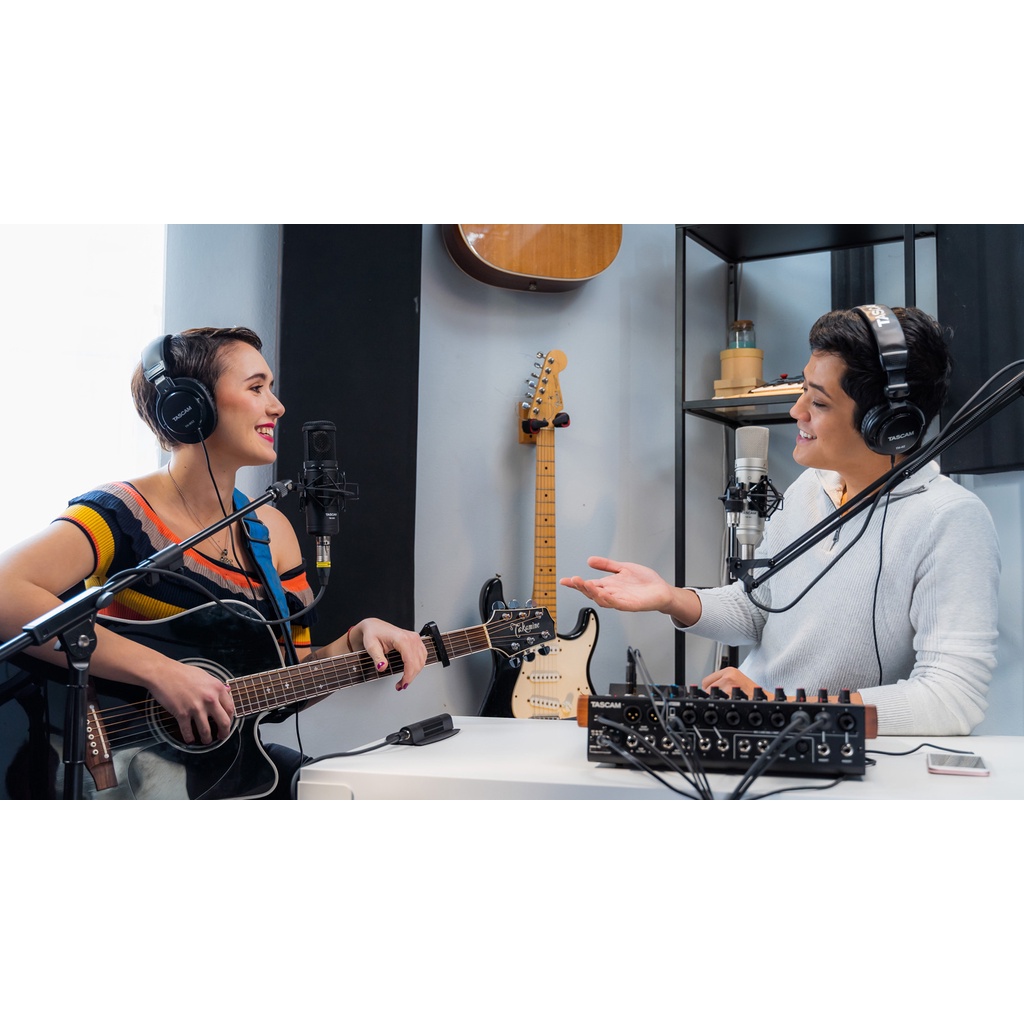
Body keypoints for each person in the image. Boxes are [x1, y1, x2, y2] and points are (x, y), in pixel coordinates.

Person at [0, 327, 427, 797]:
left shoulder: (272, 533)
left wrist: (353, 642)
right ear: (190, 406)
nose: (278, 406)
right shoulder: (120, 514)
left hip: (218, 772)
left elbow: (286, 683)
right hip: (112, 780)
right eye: (256, 387)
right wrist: (161, 672)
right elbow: (5, 591)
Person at [561, 305, 1000, 736]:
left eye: (819, 402)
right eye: (804, 389)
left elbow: (951, 697)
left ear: (887, 424)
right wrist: (671, 598)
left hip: (830, 749)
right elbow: (758, 608)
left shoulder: (949, 520)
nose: (797, 411)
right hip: (759, 729)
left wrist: (778, 708)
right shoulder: (811, 486)